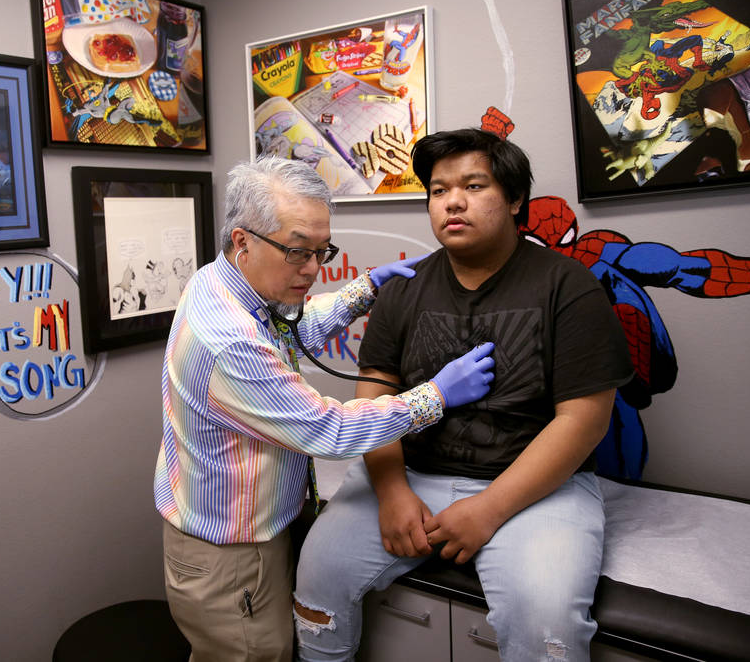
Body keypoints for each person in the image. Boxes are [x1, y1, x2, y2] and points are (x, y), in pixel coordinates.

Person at [293, 128, 634, 661]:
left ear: (515, 199)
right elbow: (373, 397)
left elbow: (584, 420)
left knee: (545, 622)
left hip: (533, 487)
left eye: (474, 186)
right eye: (437, 190)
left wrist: (488, 509)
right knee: (318, 577)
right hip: (411, 473)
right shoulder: (403, 287)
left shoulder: (567, 285)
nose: (452, 201)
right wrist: (391, 490)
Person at [153, 156, 499, 662]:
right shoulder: (226, 338)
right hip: (230, 557)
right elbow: (329, 430)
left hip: (249, 532)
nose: (314, 270)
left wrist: (363, 291)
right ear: (243, 241)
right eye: (298, 252)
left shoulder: (223, 280)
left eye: (321, 250)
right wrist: (438, 394)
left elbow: (291, 330)